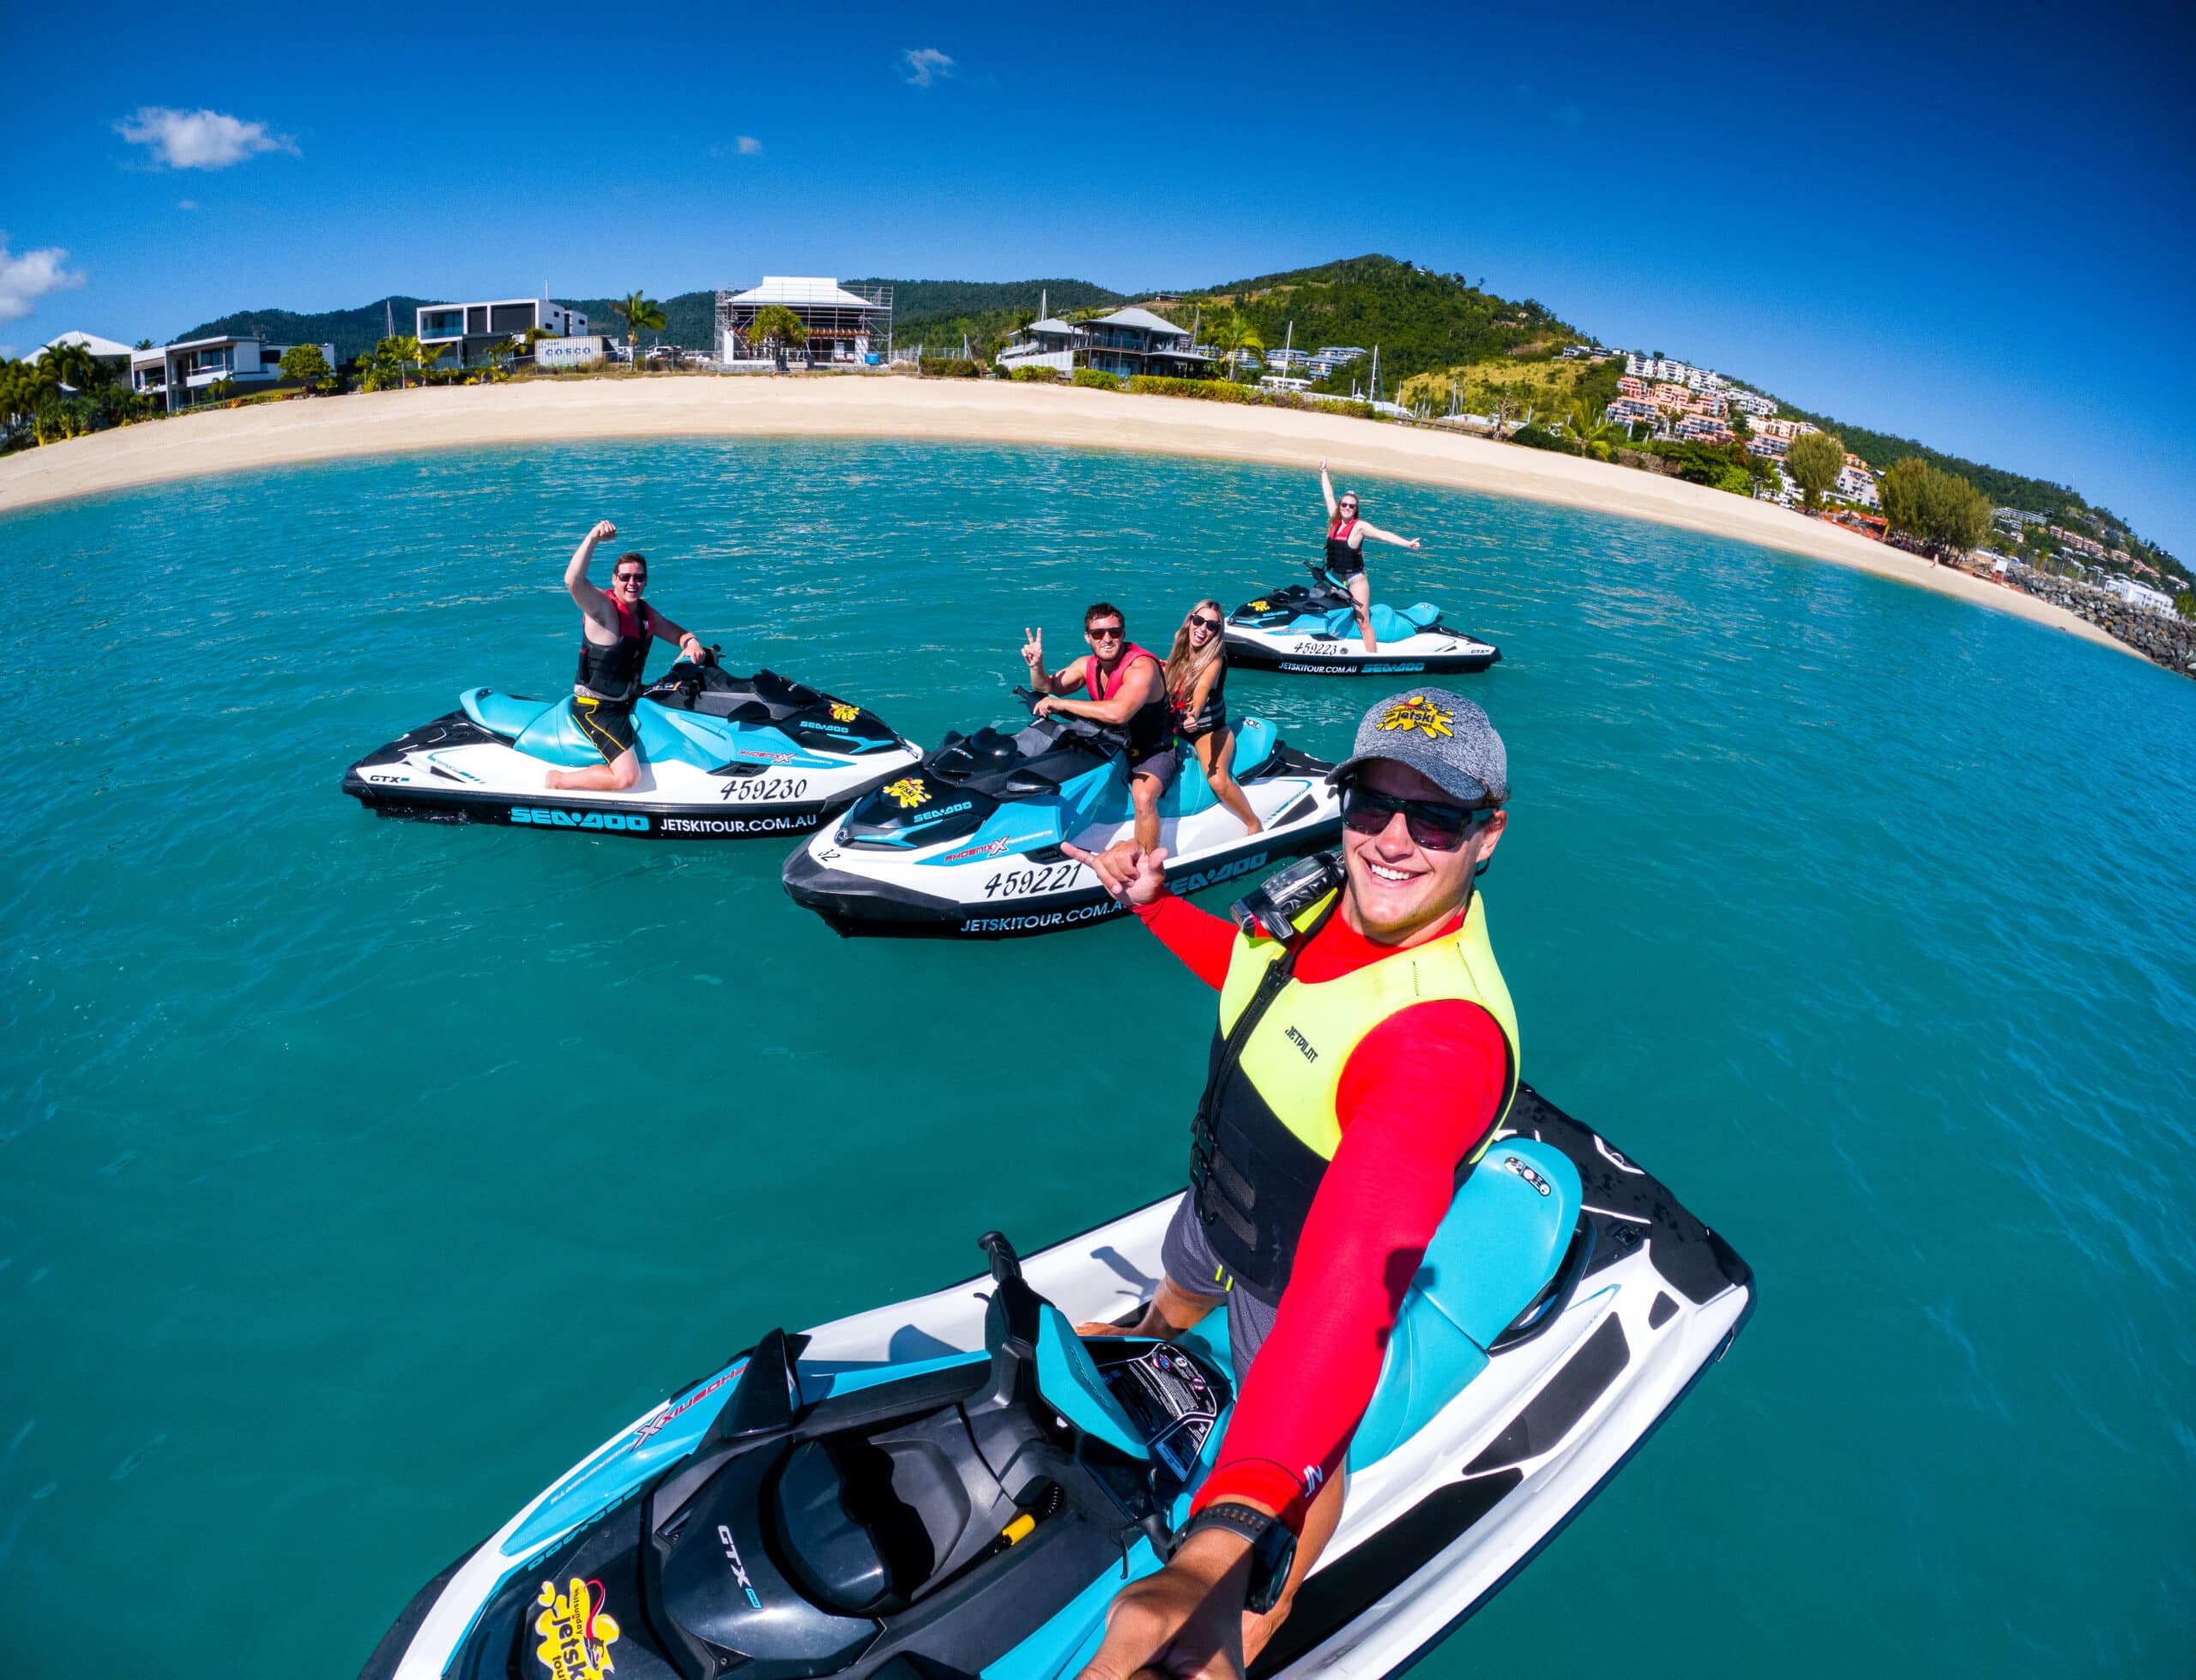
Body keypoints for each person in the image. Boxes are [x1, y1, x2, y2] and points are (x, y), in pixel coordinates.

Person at [1060, 689, 1518, 1680]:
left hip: (1294, 1270)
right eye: (1371, 805)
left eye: (1435, 815)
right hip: (1218, 1189)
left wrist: (1213, 1549)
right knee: (1180, 1282)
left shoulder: (1442, 1040)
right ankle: (1151, 1339)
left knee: (1312, 1455)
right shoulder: (1316, 897)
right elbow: (1253, 977)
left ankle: (1265, 1603)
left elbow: (1348, 1291)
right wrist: (1154, 909)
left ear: (1487, 835)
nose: (1392, 842)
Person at [546, 521, 706, 792]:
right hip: (596, 708)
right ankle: (558, 780)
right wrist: (593, 538)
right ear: (614, 579)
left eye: (639, 578)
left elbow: (679, 634)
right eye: (625, 577)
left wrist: (692, 643)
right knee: (627, 778)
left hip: (630, 698)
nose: (632, 583)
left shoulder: (645, 614)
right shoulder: (603, 609)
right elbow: (572, 581)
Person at [1021, 602, 1177, 852]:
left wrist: (1061, 705)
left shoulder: (1141, 667)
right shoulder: (1087, 665)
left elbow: (1118, 713)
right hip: (1110, 743)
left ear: (1123, 635)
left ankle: (1147, 868)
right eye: (1098, 634)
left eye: (1114, 632)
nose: (1107, 639)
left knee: (1143, 797)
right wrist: (1036, 666)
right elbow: (1048, 687)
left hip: (1152, 749)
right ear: (1088, 637)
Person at [1164, 599, 1259, 837]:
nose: (1203, 629)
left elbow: (1202, 688)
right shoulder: (1180, 642)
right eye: (1198, 621)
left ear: (1218, 632)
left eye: (1212, 626)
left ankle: (1253, 824)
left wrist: (1194, 713)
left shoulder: (1215, 660)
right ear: (1190, 620)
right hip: (1176, 725)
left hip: (1208, 730)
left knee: (1217, 779)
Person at [1318, 459, 1423, 653]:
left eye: (1351, 506)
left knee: (1363, 620)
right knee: (1327, 611)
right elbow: (1328, 494)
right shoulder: (1334, 520)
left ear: (1355, 509)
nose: (1347, 508)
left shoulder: (1359, 526)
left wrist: (1407, 543)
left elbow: (1383, 535)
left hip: (1355, 579)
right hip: (1335, 578)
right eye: (1345, 504)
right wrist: (1324, 472)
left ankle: (1372, 656)